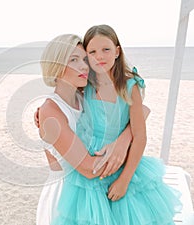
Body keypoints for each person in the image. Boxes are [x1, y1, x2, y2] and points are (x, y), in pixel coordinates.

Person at [51, 24, 182, 225]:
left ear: (117, 51)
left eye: (106, 50)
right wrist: (42, 114)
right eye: (92, 52)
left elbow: (140, 136)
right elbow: (62, 96)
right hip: (90, 162)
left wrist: (124, 180)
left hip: (124, 164)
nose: (99, 57)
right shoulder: (85, 85)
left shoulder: (129, 87)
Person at [36, 34, 135, 225]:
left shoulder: (82, 97)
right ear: (56, 66)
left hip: (93, 191)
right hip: (67, 199)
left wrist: (125, 138)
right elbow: (89, 169)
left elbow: (130, 112)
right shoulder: (50, 111)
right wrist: (124, 148)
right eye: (73, 60)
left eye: (84, 59)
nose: (84, 66)